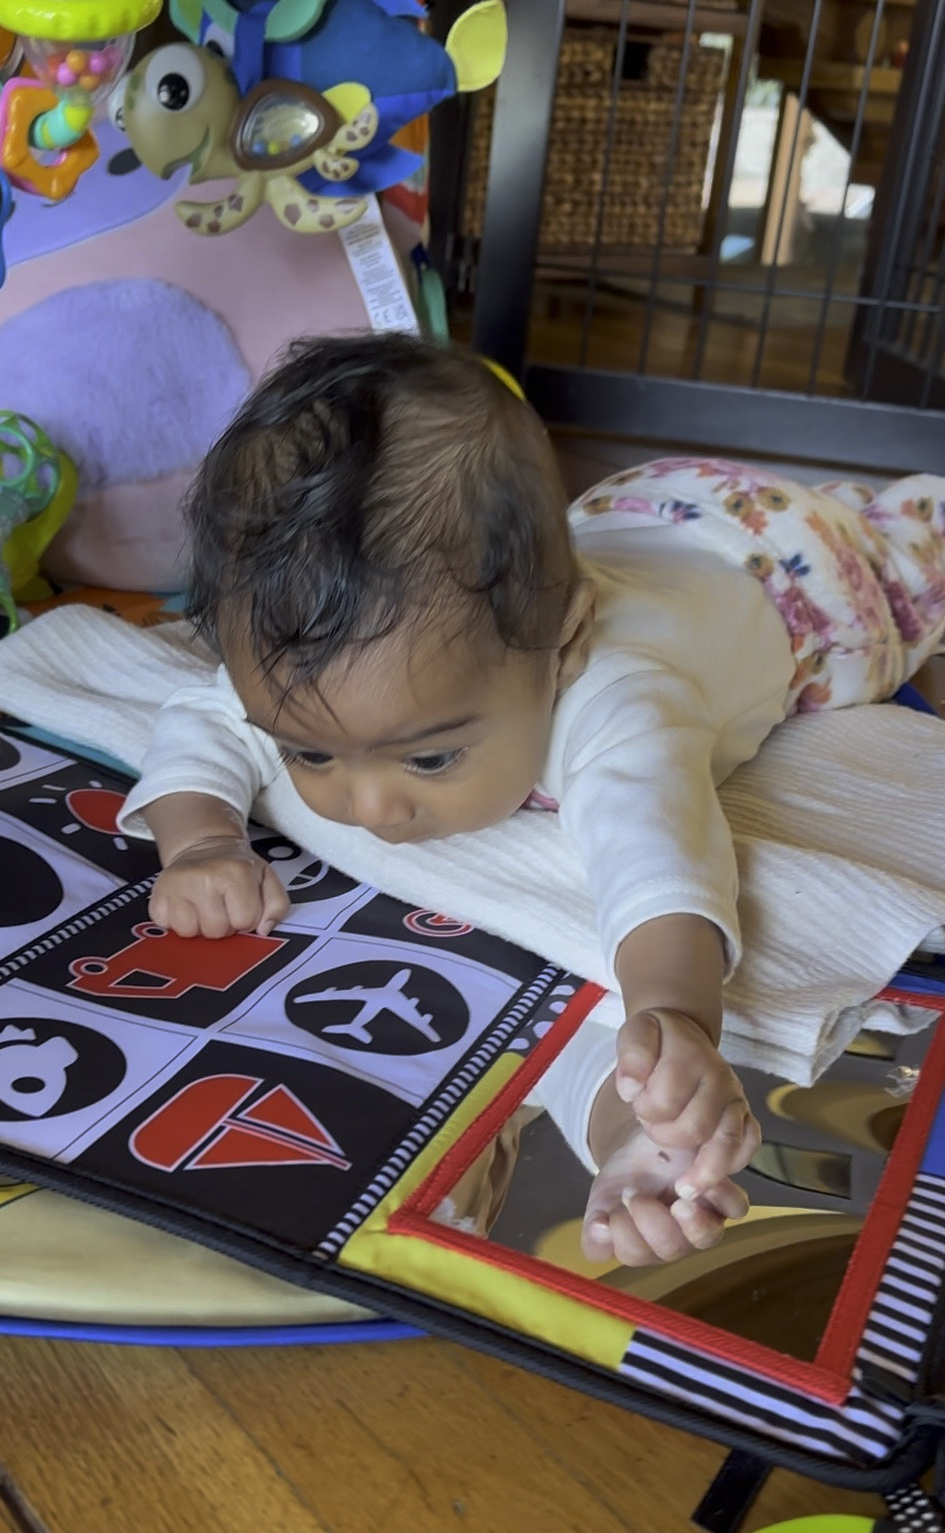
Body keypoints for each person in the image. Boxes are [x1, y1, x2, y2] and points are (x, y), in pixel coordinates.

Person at [117, 333, 945, 1266]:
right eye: (309, 751)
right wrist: (198, 842)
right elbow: (205, 713)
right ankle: (628, 1146)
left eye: (428, 759)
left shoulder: (619, 696)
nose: (372, 808)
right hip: (617, 518)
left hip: (769, 553)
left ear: (566, 642)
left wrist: (673, 1021)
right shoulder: (327, 659)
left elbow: (662, 864)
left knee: (912, 559)